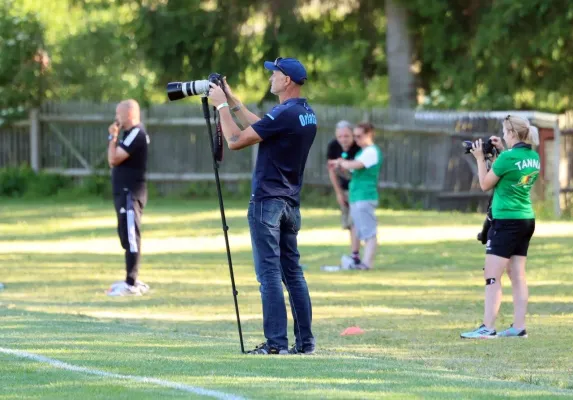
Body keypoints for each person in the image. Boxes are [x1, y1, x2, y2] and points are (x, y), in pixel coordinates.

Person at [207, 57, 317, 355]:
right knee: (293, 273)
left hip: (267, 201)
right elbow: (262, 128)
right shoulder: (304, 113)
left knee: (268, 275)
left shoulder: (284, 113)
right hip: (290, 203)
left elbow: (235, 140)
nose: (271, 78)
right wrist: (231, 99)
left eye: (275, 74)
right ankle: (305, 342)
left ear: (287, 81)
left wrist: (219, 108)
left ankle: (276, 344)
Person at [461, 115, 540, 339]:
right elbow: (513, 166)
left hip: (506, 221)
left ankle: (487, 327)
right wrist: (502, 150)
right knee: (518, 275)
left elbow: (486, 184)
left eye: (505, 132)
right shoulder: (533, 156)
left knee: (492, 276)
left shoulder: (507, 158)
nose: (503, 134)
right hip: (526, 220)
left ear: (513, 133)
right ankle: (518, 327)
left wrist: (479, 157)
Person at [106, 99, 151, 297]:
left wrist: (112, 136)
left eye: (119, 115)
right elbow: (112, 161)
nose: (117, 119)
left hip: (131, 192)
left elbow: (114, 158)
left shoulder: (136, 133)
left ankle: (131, 282)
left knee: (131, 236)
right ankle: (128, 279)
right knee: (125, 234)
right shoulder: (128, 134)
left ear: (130, 114)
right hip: (123, 193)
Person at [330, 122, 383, 270]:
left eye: (359, 136)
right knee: (361, 229)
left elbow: (356, 165)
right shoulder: (362, 152)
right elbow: (352, 171)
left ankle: (367, 263)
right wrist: (341, 167)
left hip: (365, 196)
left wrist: (341, 162)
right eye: (355, 136)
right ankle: (362, 262)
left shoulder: (371, 151)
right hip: (357, 196)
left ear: (369, 135)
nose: (356, 139)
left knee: (369, 232)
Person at [326, 120, 361, 267]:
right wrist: (339, 193)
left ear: (352, 135)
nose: (343, 140)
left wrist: (344, 165)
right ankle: (354, 253)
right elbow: (331, 171)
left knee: (355, 223)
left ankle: (355, 255)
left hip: (357, 189)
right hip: (344, 189)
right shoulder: (333, 146)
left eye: (346, 136)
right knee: (348, 223)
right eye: (340, 136)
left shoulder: (359, 148)